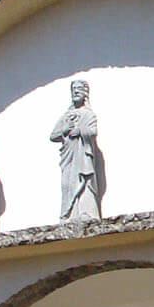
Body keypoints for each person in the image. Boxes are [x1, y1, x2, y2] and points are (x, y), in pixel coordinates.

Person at [50, 79, 101, 221]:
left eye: (79, 89)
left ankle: (86, 212)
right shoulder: (66, 116)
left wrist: (80, 131)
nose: (76, 92)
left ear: (85, 93)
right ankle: (69, 213)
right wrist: (64, 130)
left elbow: (92, 131)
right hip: (69, 157)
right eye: (73, 89)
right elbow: (53, 136)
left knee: (85, 182)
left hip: (83, 154)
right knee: (67, 184)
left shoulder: (89, 114)